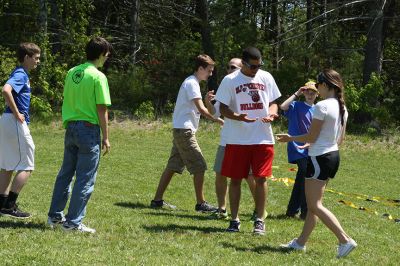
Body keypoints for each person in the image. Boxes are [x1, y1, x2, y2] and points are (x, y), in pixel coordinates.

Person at [277, 69, 357, 258]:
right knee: (315, 204)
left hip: (319, 158)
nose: (317, 89)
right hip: (332, 157)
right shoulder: (342, 107)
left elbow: (312, 135)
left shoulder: (322, 106)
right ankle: (300, 243)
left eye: (318, 85)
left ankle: (345, 240)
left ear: (325, 85)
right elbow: (340, 139)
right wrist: (316, 143)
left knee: (314, 205)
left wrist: (290, 139)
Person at [47, 37, 112, 233]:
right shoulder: (98, 76)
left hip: (71, 127)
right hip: (88, 129)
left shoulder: (71, 72)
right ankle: (73, 223)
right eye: (107, 54)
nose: (107, 57)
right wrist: (106, 137)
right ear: (101, 54)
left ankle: (54, 217)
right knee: (85, 178)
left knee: (65, 174)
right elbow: (102, 109)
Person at [215, 47, 281, 235]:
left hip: (262, 137)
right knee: (235, 179)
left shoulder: (266, 77)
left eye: (259, 65)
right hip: (237, 139)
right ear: (243, 64)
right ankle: (234, 220)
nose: (256, 70)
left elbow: (274, 102)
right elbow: (223, 109)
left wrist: (272, 113)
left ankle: (259, 220)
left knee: (261, 179)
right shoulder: (230, 80)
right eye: (253, 66)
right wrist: (239, 117)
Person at [150, 54, 222, 212]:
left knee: (172, 166)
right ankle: (201, 204)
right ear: (200, 68)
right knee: (200, 166)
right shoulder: (191, 83)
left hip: (181, 130)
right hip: (185, 132)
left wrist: (205, 99)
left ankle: (157, 201)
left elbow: (198, 106)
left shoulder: (192, 82)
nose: (210, 74)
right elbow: (202, 109)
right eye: (209, 71)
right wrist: (217, 119)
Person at [205, 58, 257, 220]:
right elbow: (215, 113)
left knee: (249, 176)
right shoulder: (226, 86)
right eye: (227, 67)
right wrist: (208, 102)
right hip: (227, 139)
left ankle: (259, 209)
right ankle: (222, 209)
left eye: (232, 67)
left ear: (242, 68)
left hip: (246, 140)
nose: (229, 69)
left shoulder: (249, 86)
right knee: (220, 173)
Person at [0, 42, 41, 219]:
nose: (38, 62)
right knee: (27, 165)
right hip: (14, 121)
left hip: (6, 121)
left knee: (7, 165)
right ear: (26, 57)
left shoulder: (20, 73)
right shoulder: (20, 74)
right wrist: (18, 113)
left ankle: (1, 204)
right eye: (36, 58)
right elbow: (6, 90)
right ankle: (9, 207)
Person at [279, 81, 318, 220]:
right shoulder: (296, 106)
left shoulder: (318, 109)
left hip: (311, 148)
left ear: (317, 94)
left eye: (313, 92)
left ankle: (292, 210)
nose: (310, 94)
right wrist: (297, 93)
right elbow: (283, 106)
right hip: (296, 147)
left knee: (302, 179)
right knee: (306, 176)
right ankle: (305, 212)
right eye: (307, 91)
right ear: (304, 92)